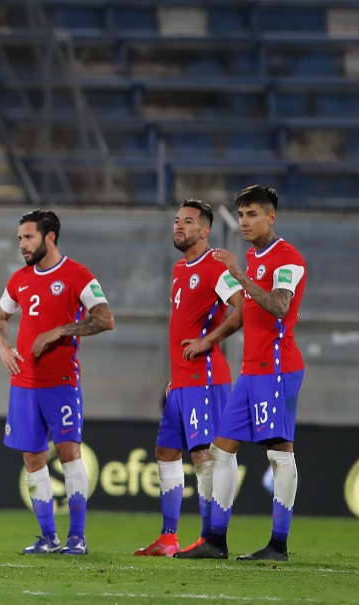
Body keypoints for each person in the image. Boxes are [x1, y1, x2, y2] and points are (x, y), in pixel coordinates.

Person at [176, 185, 307, 562]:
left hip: (278, 369)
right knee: (221, 449)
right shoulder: (253, 256)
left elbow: (279, 306)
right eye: (242, 214)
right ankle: (216, 540)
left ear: (271, 217)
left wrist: (238, 273)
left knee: (280, 453)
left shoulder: (287, 258)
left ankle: (278, 546)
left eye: (253, 214)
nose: (245, 221)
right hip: (251, 371)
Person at [0, 209, 113, 556]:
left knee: (69, 454)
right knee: (32, 458)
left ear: (50, 238)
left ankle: (77, 537)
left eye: (28, 238)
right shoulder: (20, 279)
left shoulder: (77, 275)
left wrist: (60, 330)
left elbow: (105, 318)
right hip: (24, 384)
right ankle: (48, 538)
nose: (22, 245)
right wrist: (2, 345)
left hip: (61, 382)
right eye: (20, 239)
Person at [134, 200, 244, 557]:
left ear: (205, 230)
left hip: (206, 379)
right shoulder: (181, 268)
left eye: (188, 222)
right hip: (182, 381)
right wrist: (174, 376)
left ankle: (210, 539)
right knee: (166, 450)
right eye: (176, 220)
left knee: (203, 455)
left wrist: (207, 341)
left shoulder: (215, 267)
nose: (179, 226)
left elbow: (241, 308)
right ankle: (168, 538)